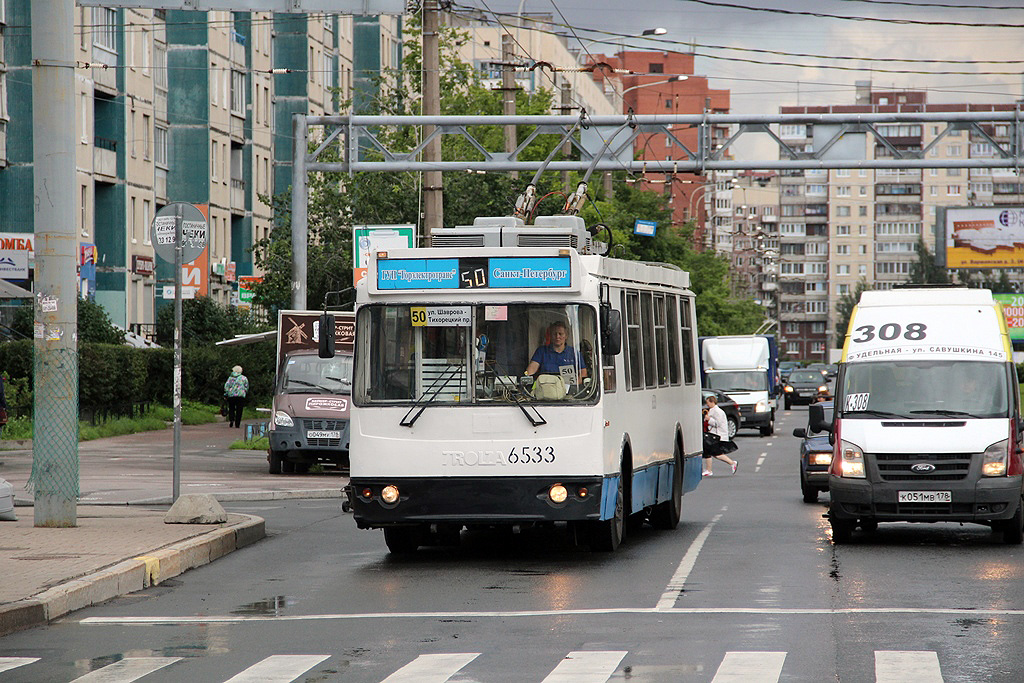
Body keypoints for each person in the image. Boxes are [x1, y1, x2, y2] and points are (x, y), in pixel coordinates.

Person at [703, 394, 738, 476]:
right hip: (714, 435)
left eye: (708, 402)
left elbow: (717, 423)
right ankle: (709, 470)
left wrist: (709, 419)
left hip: (717, 435)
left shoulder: (718, 411)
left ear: (712, 402)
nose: (707, 404)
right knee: (711, 452)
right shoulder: (713, 410)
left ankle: (732, 463)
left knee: (715, 454)